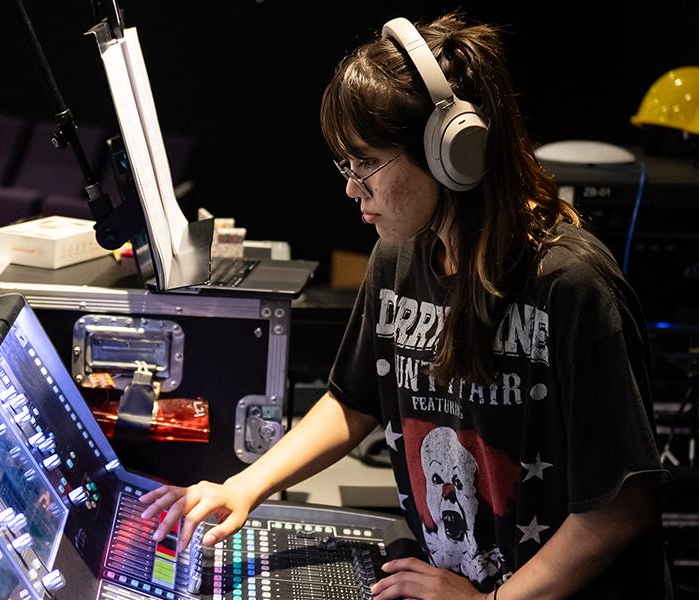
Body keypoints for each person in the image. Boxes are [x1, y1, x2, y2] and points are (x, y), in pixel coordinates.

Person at [139, 12, 669, 599]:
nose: (351, 187)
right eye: (347, 165)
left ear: (453, 152)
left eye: (367, 162)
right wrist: (245, 486)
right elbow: (354, 401)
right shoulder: (398, 257)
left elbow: (619, 509)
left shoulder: (571, 286)